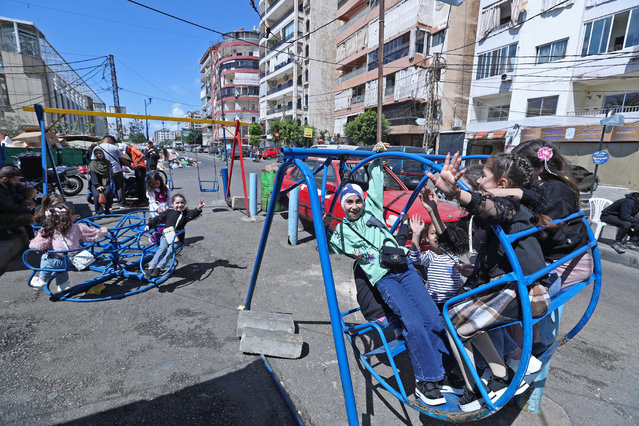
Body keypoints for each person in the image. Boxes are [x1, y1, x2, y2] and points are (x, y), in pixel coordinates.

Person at [323, 142, 452, 407]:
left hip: (404, 269)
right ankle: (425, 381)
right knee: (413, 323)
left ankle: (443, 373)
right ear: (343, 204)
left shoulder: (372, 210)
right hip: (385, 279)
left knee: (433, 318)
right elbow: (328, 248)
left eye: (358, 200)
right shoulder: (341, 233)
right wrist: (324, 223)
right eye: (350, 201)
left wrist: (376, 154)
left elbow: (377, 178)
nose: (355, 205)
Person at [427, 152, 554, 406]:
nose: (480, 185)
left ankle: (477, 385)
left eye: (483, 178)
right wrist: (434, 209)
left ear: (502, 185)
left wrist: (455, 193)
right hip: (516, 288)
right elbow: (457, 240)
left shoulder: (512, 207)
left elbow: (493, 207)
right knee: (456, 312)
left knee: (454, 320)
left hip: (524, 292)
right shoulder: (508, 210)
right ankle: (497, 375)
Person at [409, 187, 524, 411]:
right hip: (439, 302)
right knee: (453, 331)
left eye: (437, 234)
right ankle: (478, 372)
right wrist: (415, 234)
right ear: (427, 239)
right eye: (431, 235)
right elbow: (413, 257)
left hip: (456, 299)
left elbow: (458, 254)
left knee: (468, 328)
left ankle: (486, 372)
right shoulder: (430, 256)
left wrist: (468, 270)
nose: (436, 238)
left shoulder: (452, 254)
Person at [28, 202, 107, 291]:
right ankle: (63, 285)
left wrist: (35, 244)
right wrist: (102, 231)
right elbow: (91, 235)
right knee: (61, 263)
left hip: (57, 263)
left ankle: (41, 280)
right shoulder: (78, 227)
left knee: (46, 257)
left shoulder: (48, 230)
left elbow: (38, 245)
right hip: (74, 260)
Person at [144, 194, 204, 278]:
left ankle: (159, 267)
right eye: (177, 203)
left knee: (170, 250)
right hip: (166, 235)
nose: (180, 205)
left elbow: (193, 214)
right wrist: (149, 225)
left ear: (185, 203)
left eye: (182, 203)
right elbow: (158, 218)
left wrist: (199, 208)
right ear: (172, 204)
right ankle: (151, 268)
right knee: (162, 248)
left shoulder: (185, 214)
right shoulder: (169, 212)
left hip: (178, 238)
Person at [91, 136, 130, 208]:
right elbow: (122, 159)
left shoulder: (96, 148)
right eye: (113, 141)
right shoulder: (114, 147)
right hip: (116, 170)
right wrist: (130, 166)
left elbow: (94, 161)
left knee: (106, 188)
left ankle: (108, 205)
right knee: (119, 187)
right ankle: (121, 203)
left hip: (103, 172)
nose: (113, 142)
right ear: (109, 139)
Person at [0, 165, 36, 238]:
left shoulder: (10, 184)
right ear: (4, 179)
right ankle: (2, 229)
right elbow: (10, 207)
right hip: (3, 214)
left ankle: (14, 228)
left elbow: (22, 188)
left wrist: (31, 193)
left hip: (8, 211)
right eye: (15, 181)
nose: (17, 182)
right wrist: (29, 209)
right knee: (30, 218)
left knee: (29, 203)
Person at [88, 148, 114, 214]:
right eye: (97, 154)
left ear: (103, 153)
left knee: (107, 193)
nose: (99, 155)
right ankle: (98, 211)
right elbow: (93, 176)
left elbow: (111, 174)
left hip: (106, 182)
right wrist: (98, 185)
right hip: (96, 184)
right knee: (97, 195)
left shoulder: (107, 162)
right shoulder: (92, 164)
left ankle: (107, 209)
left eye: (100, 153)